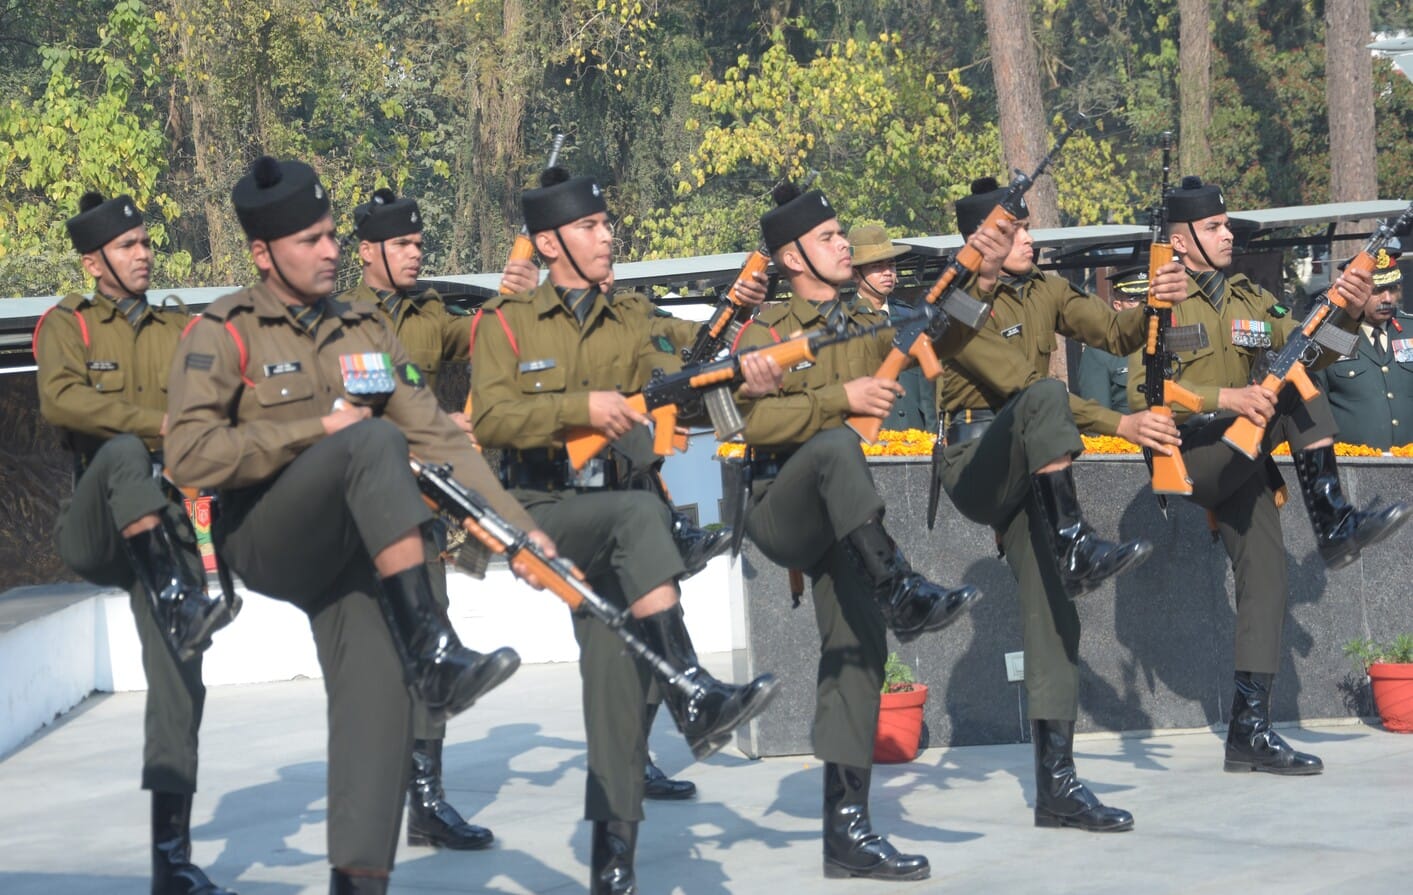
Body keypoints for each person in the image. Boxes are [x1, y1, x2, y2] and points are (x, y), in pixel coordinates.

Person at [166, 156, 548, 894]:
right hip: (267, 536)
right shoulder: (225, 330)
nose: (330, 250)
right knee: (370, 439)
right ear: (262, 252)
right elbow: (187, 452)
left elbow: (436, 435)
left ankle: (360, 879)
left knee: (376, 710)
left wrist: (522, 532)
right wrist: (314, 430)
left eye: (333, 235)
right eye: (309, 239)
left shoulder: (364, 328)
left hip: (353, 548)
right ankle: (432, 643)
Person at [468, 166, 780, 894]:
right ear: (549, 243)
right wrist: (581, 406)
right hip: (550, 512)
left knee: (612, 688)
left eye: (607, 225)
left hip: (623, 512)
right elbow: (489, 420)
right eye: (589, 227)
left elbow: (688, 387)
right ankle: (694, 687)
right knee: (644, 515)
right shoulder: (504, 322)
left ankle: (615, 868)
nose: (607, 236)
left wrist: (743, 374)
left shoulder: (634, 317)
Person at [733, 185, 999, 881]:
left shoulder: (865, 318)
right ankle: (898, 584)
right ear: (791, 257)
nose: (844, 243)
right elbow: (749, 426)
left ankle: (847, 830)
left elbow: (947, 340)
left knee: (856, 649)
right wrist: (838, 400)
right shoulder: (764, 332)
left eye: (839, 232)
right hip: (781, 506)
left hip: (845, 519)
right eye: (827, 237)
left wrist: (978, 276)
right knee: (832, 446)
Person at [1127, 176, 1408, 777]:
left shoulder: (1253, 298)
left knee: (1268, 578)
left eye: (1227, 225)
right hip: (1191, 452)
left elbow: (1316, 352)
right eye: (1214, 227)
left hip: (1245, 456)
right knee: (1286, 389)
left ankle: (1248, 732)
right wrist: (1227, 396)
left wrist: (1349, 311)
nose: (1228, 234)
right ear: (1180, 241)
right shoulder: (1161, 298)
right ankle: (1333, 522)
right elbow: (1141, 392)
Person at [936, 175, 1192, 833]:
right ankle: (1075, 540)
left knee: (1056, 621)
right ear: (977, 242)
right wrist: (1120, 423)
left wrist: (1155, 302)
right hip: (975, 461)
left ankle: (1057, 788)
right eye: (1012, 230)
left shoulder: (1045, 287)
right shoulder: (954, 303)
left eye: (1024, 227)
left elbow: (1113, 331)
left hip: (1034, 458)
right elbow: (1022, 387)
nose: (1028, 237)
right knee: (1044, 393)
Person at [33, 191, 239, 895]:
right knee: (122, 449)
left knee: (182, 680)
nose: (144, 253)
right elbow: (61, 401)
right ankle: (177, 590)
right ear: (94, 261)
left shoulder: (182, 324)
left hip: (170, 517)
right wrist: (161, 424)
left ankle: (171, 858)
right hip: (98, 520)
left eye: (146, 242)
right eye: (127, 246)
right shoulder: (67, 325)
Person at [343, 187, 538, 851]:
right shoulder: (343, 320)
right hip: (364, 502)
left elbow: (487, 334)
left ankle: (426, 801)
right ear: (366, 251)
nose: (414, 252)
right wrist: (439, 424)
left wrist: (513, 293)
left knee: (432, 634)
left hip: (421, 503)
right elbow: (360, 414)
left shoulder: (428, 311)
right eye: (400, 244)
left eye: (417, 242)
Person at [1311, 244, 1413, 450]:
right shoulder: (1333, 335)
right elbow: (1315, 404)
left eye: (1392, 289)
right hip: (1355, 467)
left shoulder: (1410, 329)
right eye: (1377, 290)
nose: (1387, 299)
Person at [847, 224, 936, 432]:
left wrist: (933, 435)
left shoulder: (911, 318)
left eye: (891, 265)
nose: (888, 272)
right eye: (876, 266)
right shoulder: (843, 324)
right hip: (869, 439)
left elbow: (927, 388)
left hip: (916, 435)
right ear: (855, 274)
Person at [1074, 265, 1147, 412]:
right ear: (1118, 306)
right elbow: (1097, 416)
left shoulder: (1169, 339)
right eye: (1133, 299)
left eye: (1146, 298)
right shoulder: (1100, 350)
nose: (1142, 306)